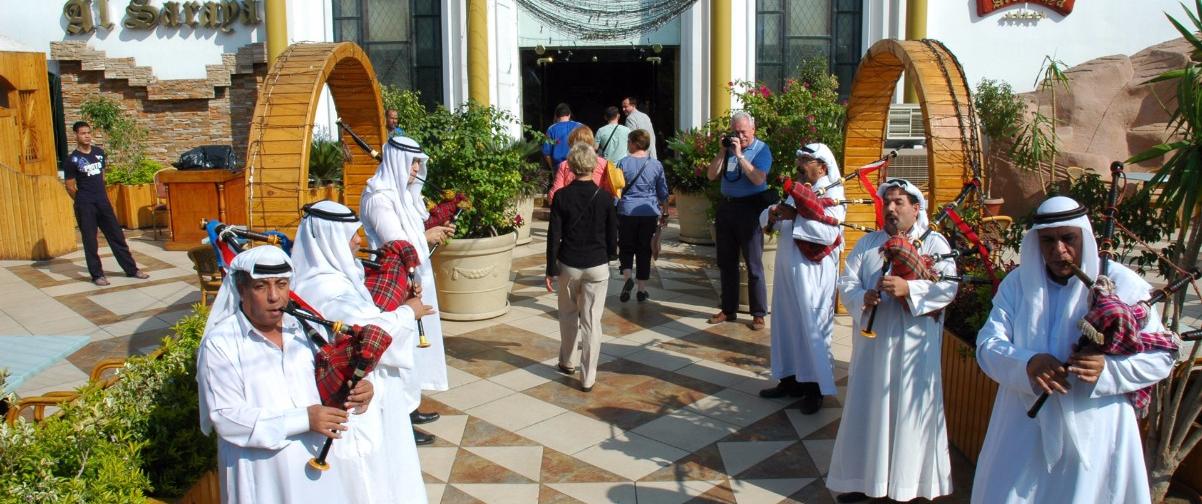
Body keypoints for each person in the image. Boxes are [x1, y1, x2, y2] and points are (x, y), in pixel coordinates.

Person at [972, 196, 1176, 504]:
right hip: (1023, 428)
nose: (1058, 250)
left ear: (1084, 237)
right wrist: (1027, 363)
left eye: (1068, 239)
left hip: (1098, 430)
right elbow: (988, 345)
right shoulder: (1017, 284)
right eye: (1048, 240)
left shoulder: (1122, 284)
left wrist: (1108, 370)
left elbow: (1162, 355)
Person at [196, 245, 372, 503]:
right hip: (263, 473)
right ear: (241, 289)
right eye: (261, 287)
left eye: (281, 284)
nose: (274, 296)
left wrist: (361, 389)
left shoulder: (305, 328)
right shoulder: (221, 343)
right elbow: (226, 417)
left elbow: (333, 376)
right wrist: (304, 420)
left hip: (318, 465)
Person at [291, 200, 434, 504]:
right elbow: (371, 332)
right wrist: (409, 312)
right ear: (330, 241)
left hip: (368, 391)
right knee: (374, 476)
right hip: (358, 398)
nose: (359, 241)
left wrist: (402, 299)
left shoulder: (338, 275)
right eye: (352, 235)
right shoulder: (326, 288)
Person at [827, 178, 958, 502]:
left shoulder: (934, 244)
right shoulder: (868, 243)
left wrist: (909, 289)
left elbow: (949, 288)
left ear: (916, 208)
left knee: (908, 416)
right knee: (869, 409)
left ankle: (907, 487)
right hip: (873, 348)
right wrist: (861, 297)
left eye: (899, 202)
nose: (891, 208)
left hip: (914, 351)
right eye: (887, 202)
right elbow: (847, 281)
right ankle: (863, 481)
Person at [359, 136, 454, 445]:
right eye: (413, 162)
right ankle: (400, 420)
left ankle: (410, 407)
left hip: (414, 278)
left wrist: (434, 231)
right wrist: (426, 236)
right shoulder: (379, 198)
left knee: (414, 346)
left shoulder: (402, 196)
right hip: (393, 283)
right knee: (399, 349)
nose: (417, 169)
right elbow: (396, 244)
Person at [757, 143, 844, 415]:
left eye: (806, 160)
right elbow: (777, 219)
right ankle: (789, 379)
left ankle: (814, 388)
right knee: (786, 324)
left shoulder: (834, 194)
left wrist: (795, 217)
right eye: (800, 159)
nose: (800, 164)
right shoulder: (797, 189)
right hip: (787, 270)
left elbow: (829, 234)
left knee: (812, 327)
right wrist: (772, 214)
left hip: (813, 274)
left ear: (823, 166)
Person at [545, 142, 617, 392]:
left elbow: (554, 235)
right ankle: (588, 376)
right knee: (591, 321)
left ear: (572, 166)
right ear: (593, 164)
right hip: (597, 264)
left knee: (567, 315)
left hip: (569, 264)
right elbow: (611, 237)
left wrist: (550, 268)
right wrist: (610, 255)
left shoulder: (562, 197)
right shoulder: (606, 198)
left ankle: (567, 361)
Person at [705, 111, 774, 330]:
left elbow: (758, 178)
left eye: (743, 132)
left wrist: (741, 156)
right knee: (726, 262)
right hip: (727, 207)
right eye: (736, 131)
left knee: (753, 263)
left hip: (750, 209)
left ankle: (758, 313)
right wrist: (722, 152)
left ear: (753, 129)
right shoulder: (728, 150)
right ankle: (728, 309)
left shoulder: (762, 150)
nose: (740, 136)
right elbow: (711, 175)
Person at [63, 120, 149, 286]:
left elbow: (102, 176)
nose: (87, 136)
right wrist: (82, 200)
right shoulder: (72, 160)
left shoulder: (99, 153)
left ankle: (131, 270)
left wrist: (99, 196)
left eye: (88, 132)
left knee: (117, 236)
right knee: (90, 241)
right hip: (85, 205)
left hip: (102, 202)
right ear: (76, 136)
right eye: (83, 133)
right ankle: (97, 275)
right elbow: (70, 186)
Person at [615, 129, 668, 303]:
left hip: (627, 211)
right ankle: (641, 290)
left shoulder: (622, 163)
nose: (627, 144)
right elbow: (663, 191)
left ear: (635, 143)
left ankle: (628, 278)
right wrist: (665, 211)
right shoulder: (656, 165)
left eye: (629, 141)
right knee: (644, 249)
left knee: (626, 246)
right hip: (648, 211)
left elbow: (617, 190)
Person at [547, 125, 612, 202]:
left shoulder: (565, 165)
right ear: (591, 142)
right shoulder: (604, 164)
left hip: (570, 206)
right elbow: (609, 191)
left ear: (572, 145)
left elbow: (554, 194)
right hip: (597, 206)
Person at [542, 103, 583, 172]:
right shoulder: (580, 126)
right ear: (569, 115)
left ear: (556, 116)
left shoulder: (551, 129)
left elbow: (546, 153)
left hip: (558, 167)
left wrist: (552, 168)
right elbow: (588, 147)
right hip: (576, 167)